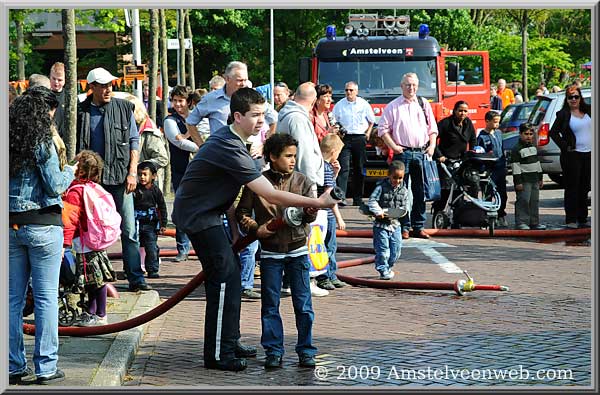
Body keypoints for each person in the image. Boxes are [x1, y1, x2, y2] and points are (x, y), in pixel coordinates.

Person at [171, 87, 337, 371]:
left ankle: (230, 341)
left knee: (232, 277)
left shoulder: (236, 143)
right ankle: (218, 354)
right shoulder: (228, 146)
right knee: (223, 280)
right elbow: (270, 194)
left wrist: (234, 227)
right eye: (255, 115)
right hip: (199, 218)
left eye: (263, 114)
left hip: (210, 214)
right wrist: (317, 201)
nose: (262, 121)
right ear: (237, 116)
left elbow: (222, 188)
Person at [236, 133, 321, 369]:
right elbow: (241, 213)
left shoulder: (303, 182)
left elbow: (310, 213)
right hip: (271, 254)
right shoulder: (257, 183)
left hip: (298, 252)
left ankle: (306, 351)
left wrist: (311, 211)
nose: (293, 160)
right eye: (288, 156)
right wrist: (256, 228)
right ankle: (274, 351)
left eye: (295, 155)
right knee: (270, 304)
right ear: (272, 157)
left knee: (303, 305)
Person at [9, 86, 75, 385]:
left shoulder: (8, 138)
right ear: (44, 111)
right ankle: (46, 366)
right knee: (47, 298)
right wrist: (71, 171)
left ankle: (13, 365)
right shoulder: (42, 140)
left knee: (11, 300)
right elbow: (54, 186)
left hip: (10, 225)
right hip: (42, 224)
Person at [76, 67, 151, 292]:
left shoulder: (124, 107)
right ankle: (96, 280)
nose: (108, 89)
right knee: (92, 231)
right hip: (92, 182)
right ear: (92, 87)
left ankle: (136, 279)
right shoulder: (81, 111)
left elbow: (134, 141)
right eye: (103, 85)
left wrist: (133, 172)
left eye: (110, 84)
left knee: (129, 230)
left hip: (120, 178)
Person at [277, 82, 328, 297]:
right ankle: (306, 280)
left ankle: (291, 280)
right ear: (313, 100)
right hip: (302, 185)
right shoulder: (298, 119)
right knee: (309, 233)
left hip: (291, 184)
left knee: (294, 233)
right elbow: (305, 154)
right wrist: (311, 190)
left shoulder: (287, 115)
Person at [378, 72, 438, 240]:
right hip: (402, 153)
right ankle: (404, 226)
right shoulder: (393, 106)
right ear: (401, 86)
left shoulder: (423, 103)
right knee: (400, 191)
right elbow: (382, 129)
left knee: (420, 191)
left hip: (421, 153)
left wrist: (432, 146)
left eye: (414, 85)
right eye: (408, 85)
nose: (411, 88)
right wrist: (394, 147)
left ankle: (418, 226)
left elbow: (432, 129)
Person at [62, 150, 117, 327]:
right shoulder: (92, 188)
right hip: (96, 240)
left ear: (81, 170)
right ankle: (91, 312)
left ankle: (100, 314)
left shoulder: (75, 192)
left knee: (95, 281)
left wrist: (65, 243)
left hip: (84, 243)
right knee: (93, 280)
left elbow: (70, 220)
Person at [186, 61, 278, 145]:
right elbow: (190, 122)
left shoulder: (254, 97)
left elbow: (274, 119)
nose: (243, 84)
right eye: (239, 80)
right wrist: (203, 147)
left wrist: (263, 146)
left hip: (252, 155)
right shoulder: (211, 99)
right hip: (222, 155)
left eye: (245, 80)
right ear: (227, 79)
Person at [163, 85, 200, 262]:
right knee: (182, 209)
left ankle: (202, 246)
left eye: (181, 100)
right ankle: (183, 248)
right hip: (181, 171)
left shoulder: (197, 118)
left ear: (188, 102)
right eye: (174, 100)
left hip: (202, 171)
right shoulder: (170, 121)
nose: (177, 104)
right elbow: (179, 142)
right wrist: (203, 148)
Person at [549, 84, 592, 228]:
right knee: (572, 187)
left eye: (576, 97)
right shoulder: (563, 114)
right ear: (566, 100)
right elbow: (553, 132)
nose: (573, 100)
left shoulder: (589, 111)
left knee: (585, 187)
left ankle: (583, 217)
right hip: (573, 155)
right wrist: (565, 146)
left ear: (580, 98)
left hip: (589, 153)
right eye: (570, 97)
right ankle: (571, 219)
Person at [332, 81, 376, 206]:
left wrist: (368, 133)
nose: (348, 92)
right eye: (346, 90)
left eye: (351, 90)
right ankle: (341, 197)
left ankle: (358, 198)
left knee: (359, 168)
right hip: (345, 138)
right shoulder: (340, 105)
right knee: (343, 168)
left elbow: (372, 120)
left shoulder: (363, 104)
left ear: (356, 91)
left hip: (359, 138)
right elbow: (333, 120)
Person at [315, 133, 347, 291]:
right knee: (329, 246)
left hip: (320, 214)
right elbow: (330, 195)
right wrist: (339, 217)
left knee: (325, 246)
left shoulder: (320, 166)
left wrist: (336, 173)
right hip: (326, 215)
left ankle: (329, 275)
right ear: (334, 151)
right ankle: (326, 276)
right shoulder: (326, 168)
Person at [432, 101, 477, 214]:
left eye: (465, 111)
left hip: (461, 161)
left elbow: (472, 139)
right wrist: (439, 155)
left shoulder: (468, 123)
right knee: (445, 190)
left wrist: (471, 152)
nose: (462, 113)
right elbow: (432, 140)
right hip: (446, 161)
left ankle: (457, 216)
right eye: (460, 110)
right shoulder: (445, 123)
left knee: (459, 189)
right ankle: (438, 213)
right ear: (455, 111)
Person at [368, 160, 409, 280]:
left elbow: (405, 206)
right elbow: (372, 200)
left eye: (400, 178)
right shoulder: (381, 187)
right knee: (383, 250)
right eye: (394, 177)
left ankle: (389, 266)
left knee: (396, 252)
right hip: (381, 225)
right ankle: (383, 269)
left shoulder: (404, 191)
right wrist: (378, 211)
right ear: (389, 175)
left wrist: (400, 212)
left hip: (395, 225)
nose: (397, 181)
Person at [122, 93, 169, 193]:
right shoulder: (128, 127)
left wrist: (139, 167)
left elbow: (162, 158)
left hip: (147, 185)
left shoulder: (148, 130)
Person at [134, 161, 168, 278]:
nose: (142, 177)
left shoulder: (156, 191)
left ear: (153, 176)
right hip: (136, 223)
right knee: (133, 246)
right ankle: (132, 269)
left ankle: (152, 269)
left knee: (151, 247)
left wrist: (163, 223)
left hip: (150, 225)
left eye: (145, 174)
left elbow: (162, 206)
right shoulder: (134, 189)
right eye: (139, 174)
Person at [511, 123, 545, 230]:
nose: (529, 136)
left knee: (534, 201)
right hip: (524, 180)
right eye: (526, 134)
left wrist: (540, 178)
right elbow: (515, 167)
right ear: (520, 134)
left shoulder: (533, 148)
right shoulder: (517, 149)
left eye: (531, 134)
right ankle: (521, 222)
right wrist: (518, 182)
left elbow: (537, 164)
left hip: (534, 179)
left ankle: (534, 222)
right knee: (523, 201)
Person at [477, 111, 508, 227]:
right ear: (487, 121)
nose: (497, 124)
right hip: (489, 170)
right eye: (495, 122)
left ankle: (501, 214)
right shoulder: (482, 137)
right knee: (488, 194)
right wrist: (482, 170)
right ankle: (487, 218)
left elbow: (502, 149)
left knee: (502, 194)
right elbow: (480, 154)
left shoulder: (499, 133)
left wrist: (505, 165)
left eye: (498, 122)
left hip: (500, 168)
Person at [49, 62, 67, 138]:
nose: (56, 82)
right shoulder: (44, 95)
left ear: (65, 80)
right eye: (54, 78)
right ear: (49, 76)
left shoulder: (69, 97)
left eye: (59, 80)